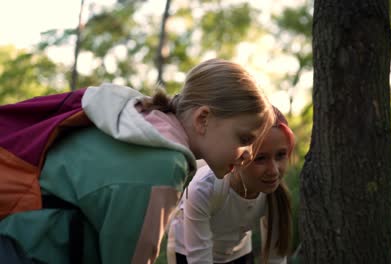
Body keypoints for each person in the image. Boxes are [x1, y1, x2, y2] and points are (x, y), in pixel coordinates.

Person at [0, 58, 275, 264]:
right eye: (244, 138)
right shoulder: (163, 165)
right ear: (203, 119)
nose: (249, 153)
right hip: (24, 248)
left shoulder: (142, 126)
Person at [167, 107, 295, 264]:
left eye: (281, 155)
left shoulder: (274, 194)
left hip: (237, 252)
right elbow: (199, 259)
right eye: (261, 158)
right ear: (239, 155)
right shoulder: (203, 188)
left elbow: (276, 259)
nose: (274, 171)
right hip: (188, 252)